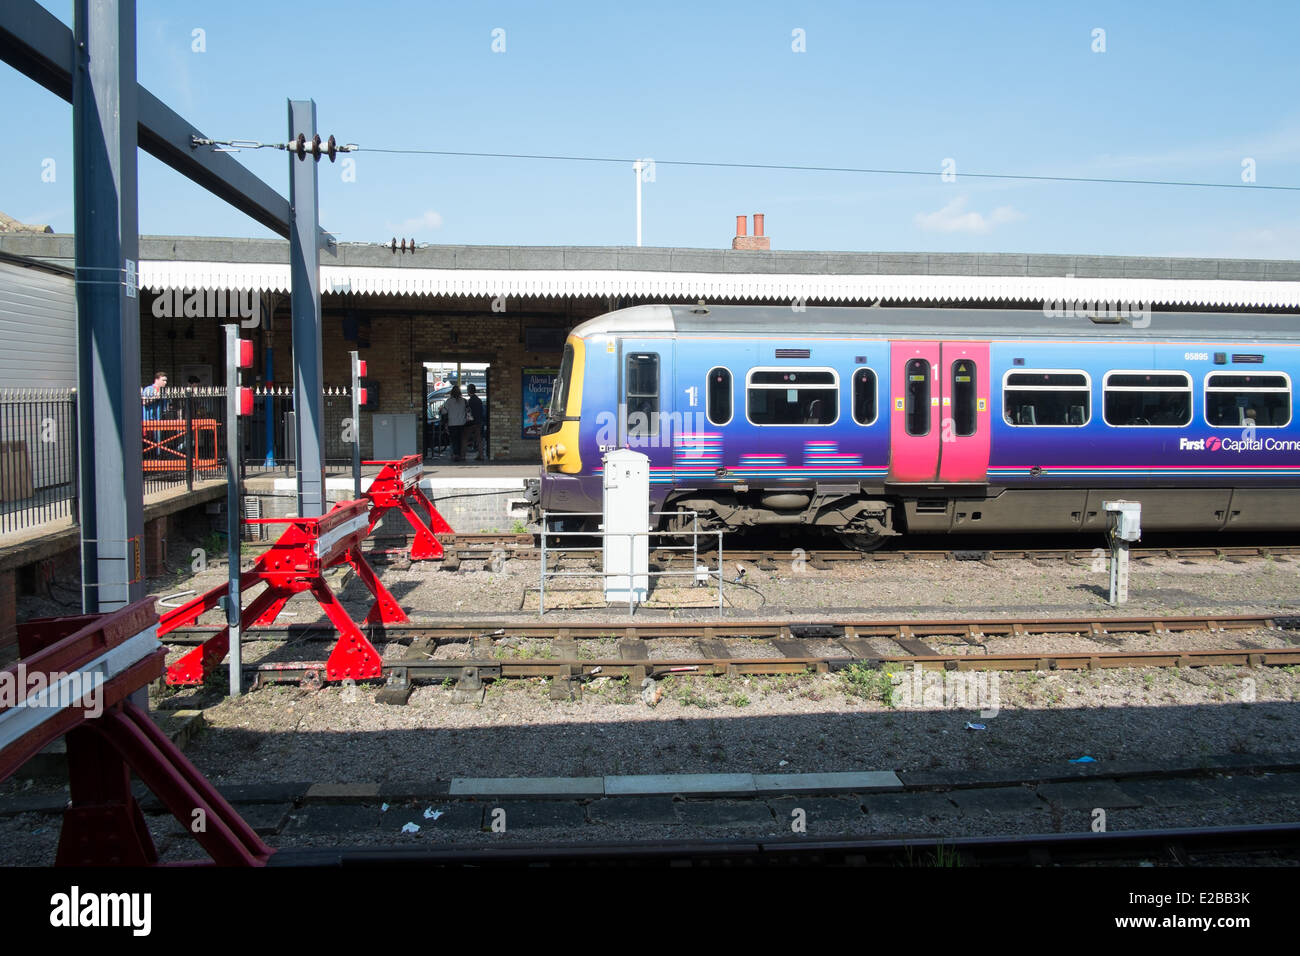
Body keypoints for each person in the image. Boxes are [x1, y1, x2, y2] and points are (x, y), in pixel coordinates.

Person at [443, 384, 468, 462]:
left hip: (452, 423)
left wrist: (441, 409)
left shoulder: (449, 401)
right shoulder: (463, 400)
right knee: (461, 440)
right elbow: (467, 411)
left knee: (454, 440)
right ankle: (461, 455)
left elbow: (444, 412)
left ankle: (455, 455)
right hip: (462, 423)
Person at [465, 383, 485, 461]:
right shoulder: (479, 400)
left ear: (469, 391)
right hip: (479, 422)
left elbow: (468, 412)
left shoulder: (470, 401)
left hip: (471, 423)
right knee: (479, 439)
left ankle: (462, 455)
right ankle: (481, 455)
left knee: (464, 438)